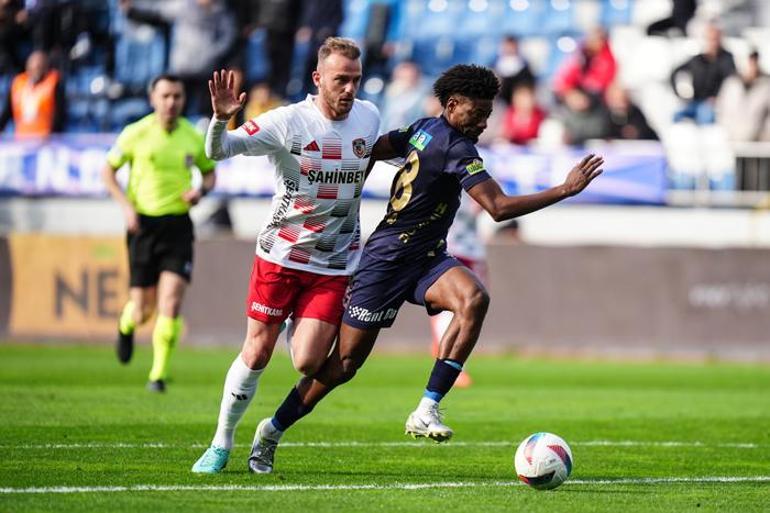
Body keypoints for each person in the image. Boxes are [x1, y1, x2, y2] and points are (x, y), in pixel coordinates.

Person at [247, 64, 603, 473]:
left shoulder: (422, 128)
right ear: (453, 105)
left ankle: (427, 408)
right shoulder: (456, 148)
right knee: (342, 366)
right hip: (384, 262)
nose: (485, 122)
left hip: (427, 257)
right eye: (478, 112)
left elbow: (373, 148)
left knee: (473, 299)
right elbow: (499, 208)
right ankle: (271, 431)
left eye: (489, 113)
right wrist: (565, 189)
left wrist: (352, 187)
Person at [190, 37, 380, 474]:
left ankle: (269, 428)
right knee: (257, 353)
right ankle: (221, 442)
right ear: (318, 79)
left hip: (334, 262)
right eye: (340, 81)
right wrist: (220, 120)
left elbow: (379, 150)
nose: (349, 89)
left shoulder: (369, 117)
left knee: (309, 362)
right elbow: (218, 151)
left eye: (355, 80)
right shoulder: (287, 122)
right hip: (282, 255)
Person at [102, 74, 217, 393]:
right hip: (143, 226)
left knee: (171, 302)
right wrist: (126, 207)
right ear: (153, 99)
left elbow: (209, 175)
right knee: (143, 310)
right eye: (165, 96)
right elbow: (107, 171)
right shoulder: (135, 133)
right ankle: (126, 326)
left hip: (178, 227)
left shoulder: (193, 137)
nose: (171, 102)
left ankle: (158, 376)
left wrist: (199, 193)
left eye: (177, 96)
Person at [429, 194, 486, 388]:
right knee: (458, 308)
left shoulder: (471, 171)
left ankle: (448, 357)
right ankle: (452, 364)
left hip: (467, 248)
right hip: (452, 249)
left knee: (469, 308)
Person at [671, 23, 735, 125]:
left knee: (705, 116)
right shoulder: (697, 60)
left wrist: (718, 98)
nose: (712, 42)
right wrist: (681, 93)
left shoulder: (727, 59)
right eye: (710, 39)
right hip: (693, 102)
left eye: (715, 39)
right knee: (677, 117)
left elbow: (731, 81)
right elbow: (676, 72)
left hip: (713, 105)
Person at [0, 50, 65, 137]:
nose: (37, 69)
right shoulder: (18, 84)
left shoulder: (53, 83)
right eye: (34, 66)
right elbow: (7, 112)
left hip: (45, 139)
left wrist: (52, 136)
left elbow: (59, 115)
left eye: (40, 66)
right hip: (22, 138)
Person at [716, 50, 770, 142]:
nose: (752, 66)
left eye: (754, 62)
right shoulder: (731, 85)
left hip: (760, 142)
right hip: (733, 139)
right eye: (749, 62)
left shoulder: (766, 86)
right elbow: (721, 109)